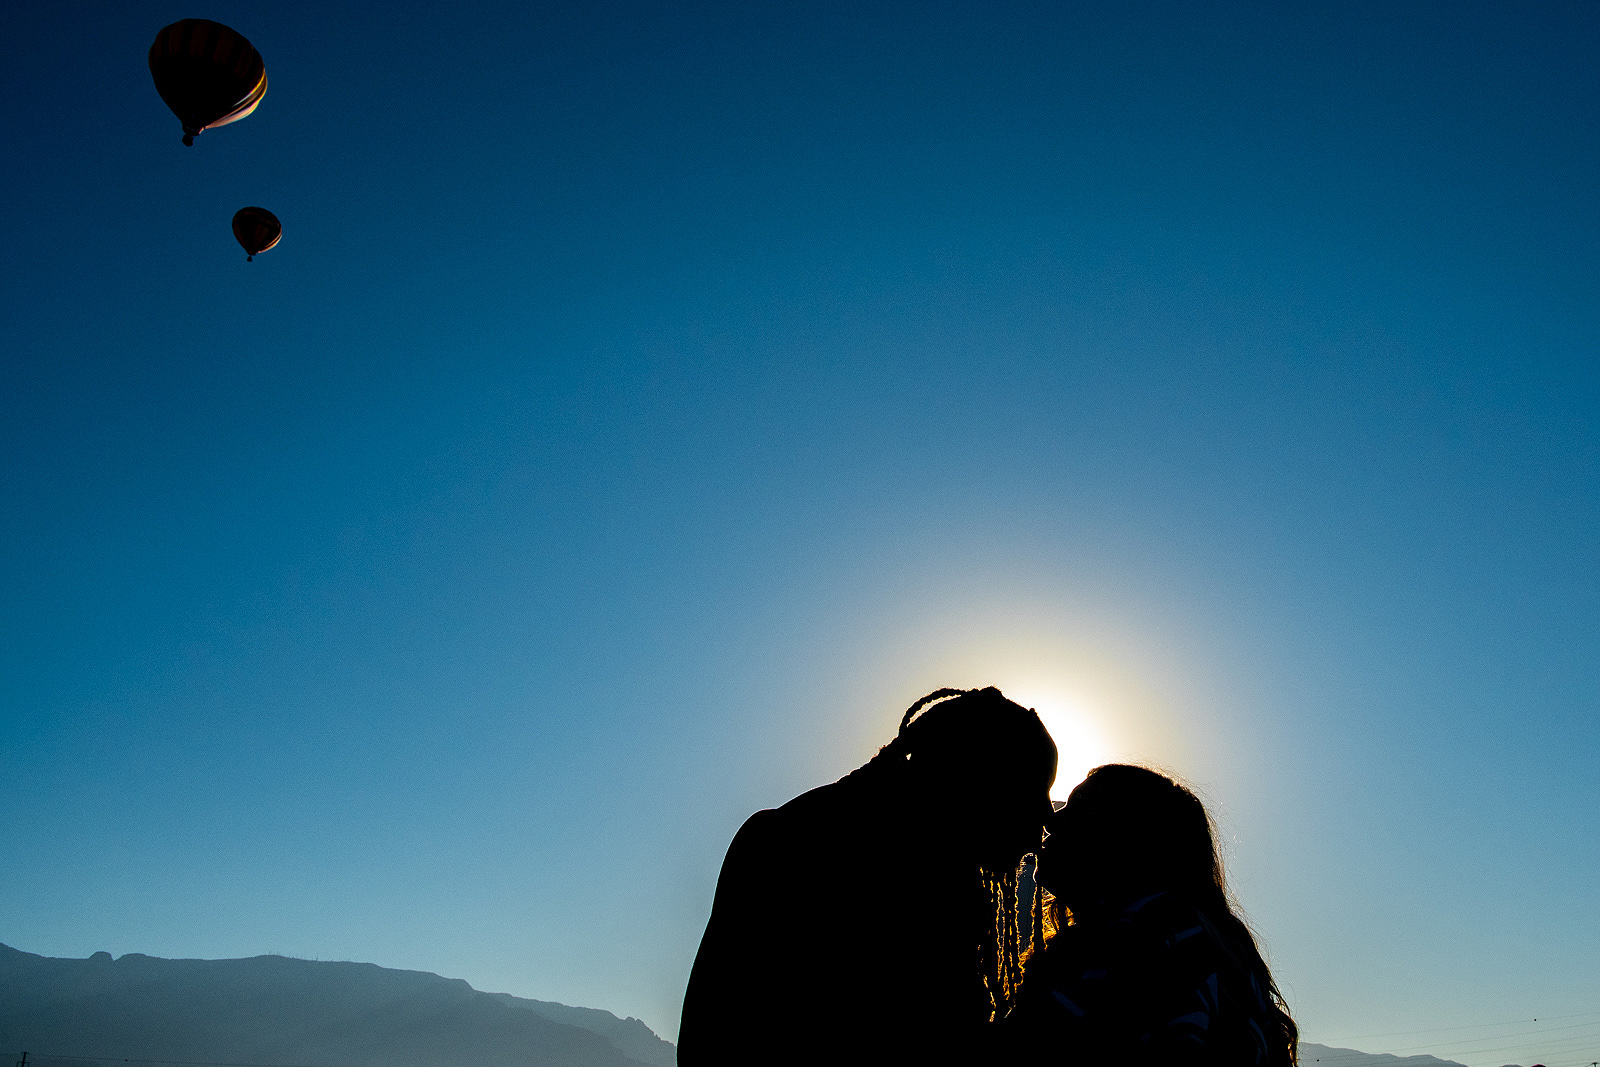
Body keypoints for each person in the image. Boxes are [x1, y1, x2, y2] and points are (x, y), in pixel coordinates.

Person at [678, 687, 1058, 1067]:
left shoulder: (784, 833)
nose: (1039, 833)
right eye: (1029, 797)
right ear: (976, 780)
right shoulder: (918, 884)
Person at [1002, 764, 1299, 1067]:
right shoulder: (1176, 938)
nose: (1052, 819)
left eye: (1080, 809)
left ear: (1126, 839)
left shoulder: (1160, 937)